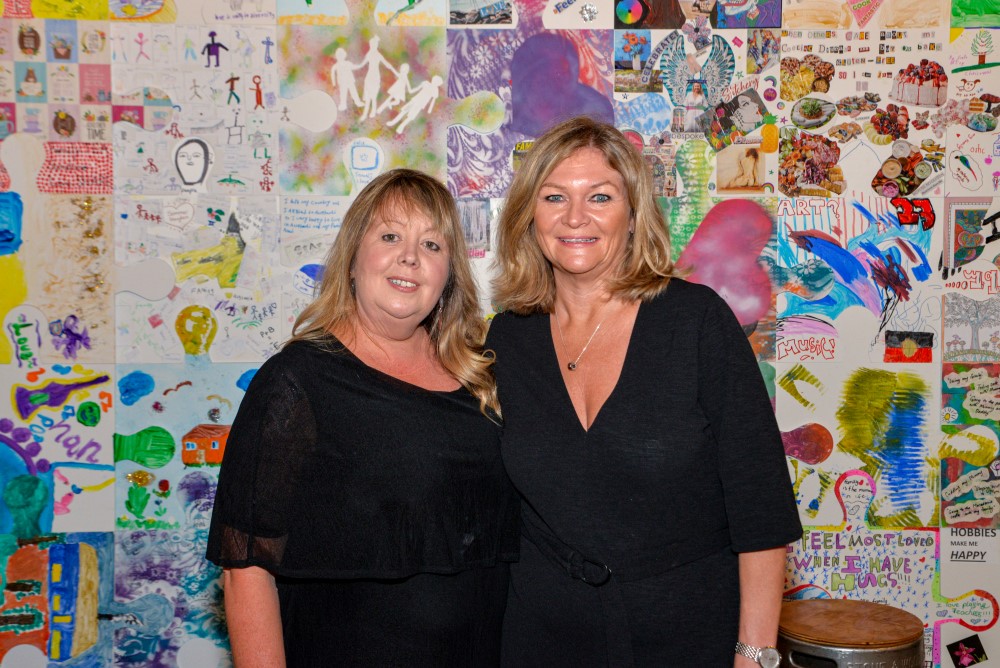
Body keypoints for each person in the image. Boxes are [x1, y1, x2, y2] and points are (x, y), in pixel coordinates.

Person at [488, 116, 801, 667]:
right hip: (541, 637)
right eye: (555, 196)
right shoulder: (507, 337)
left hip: (688, 634)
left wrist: (755, 653)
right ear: (529, 217)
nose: (575, 217)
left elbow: (761, 509)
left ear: (633, 216)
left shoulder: (697, 323)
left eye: (600, 197)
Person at [207, 169, 519, 666]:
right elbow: (246, 571)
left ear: (449, 275)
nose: (410, 258)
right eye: (390, 236)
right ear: (353, 258)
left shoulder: (480, 378)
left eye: (433, 245)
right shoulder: (296, 382)